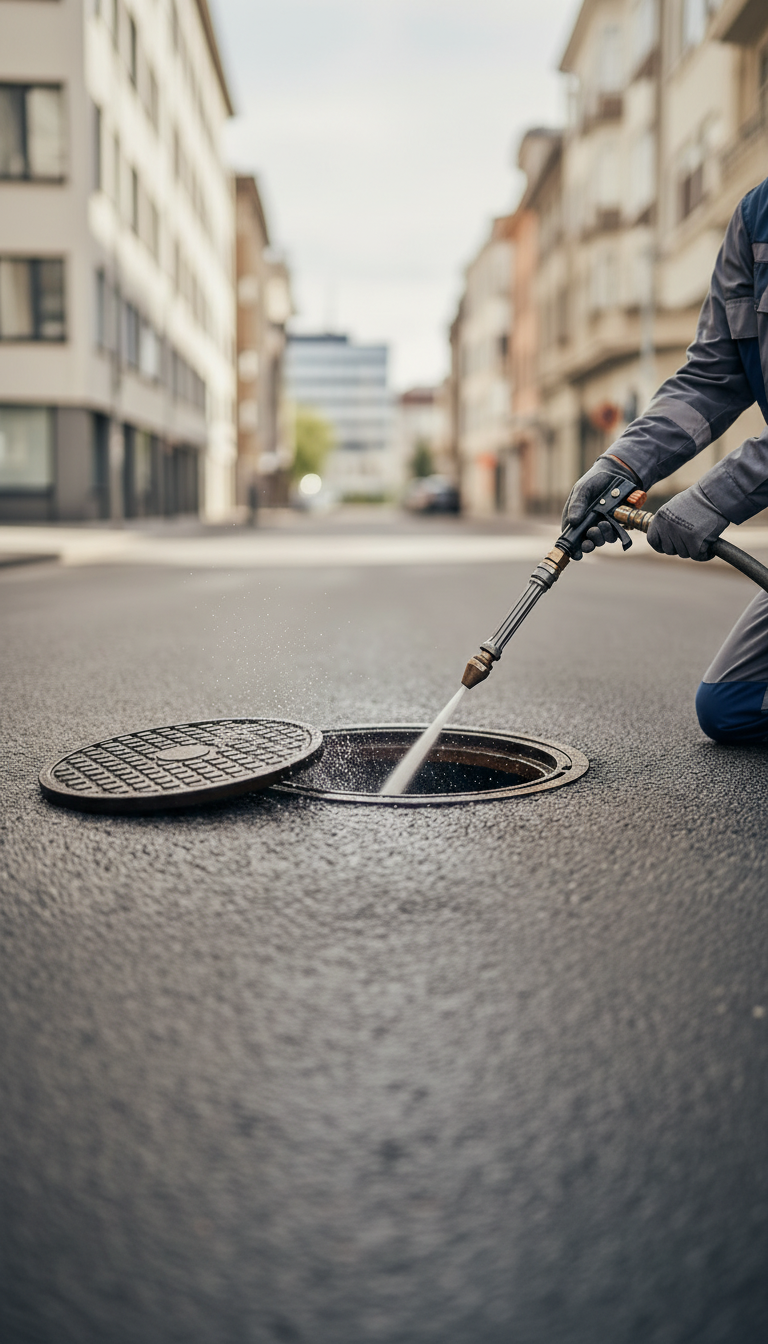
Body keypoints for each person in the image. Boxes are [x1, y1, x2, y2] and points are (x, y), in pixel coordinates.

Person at [562, 178, 768, 746]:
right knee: (733, 706)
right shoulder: (756, 218)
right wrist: (623, 466)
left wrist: (715, 498)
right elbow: (712, 376)